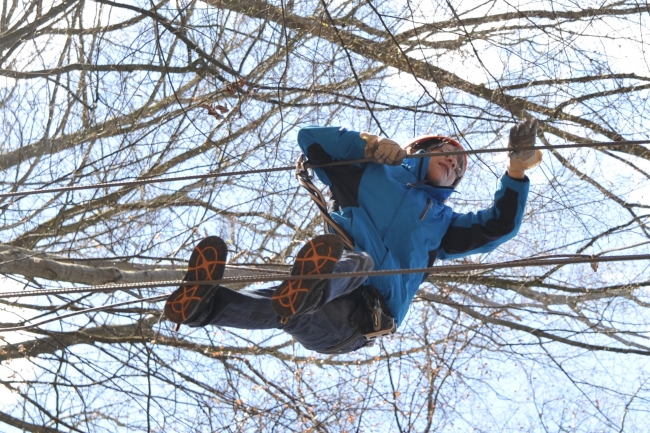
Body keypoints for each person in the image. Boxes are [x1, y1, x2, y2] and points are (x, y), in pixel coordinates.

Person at [164, 119, 543, 354]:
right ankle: (204, 306)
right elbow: (311, 140)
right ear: (422, 152)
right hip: (332, 282)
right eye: (448, 153)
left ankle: (311, 288)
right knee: (295, 298)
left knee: (353, 268)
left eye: (459, 168)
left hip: (360, 319)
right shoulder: (369, 173)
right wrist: (369, 147)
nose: (454, 163)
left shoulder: (445, 224)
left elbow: (498, 226)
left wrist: (515, 171)